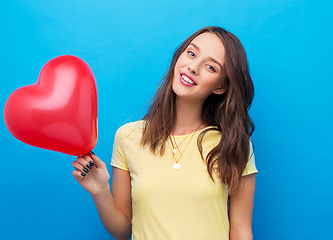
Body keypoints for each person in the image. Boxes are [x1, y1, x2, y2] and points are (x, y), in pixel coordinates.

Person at [72, 26, 258, 240]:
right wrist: (101, 191)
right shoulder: (128, 137)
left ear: (220, 87)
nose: (193, 67)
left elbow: (241, 229)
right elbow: (124, 231)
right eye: (191, 53)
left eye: (210, 67)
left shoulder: (234, 145)